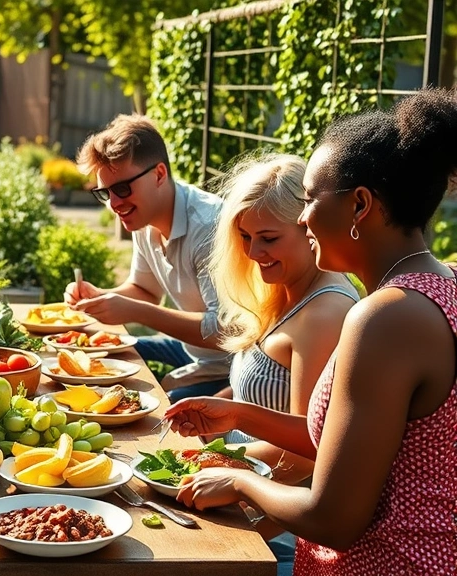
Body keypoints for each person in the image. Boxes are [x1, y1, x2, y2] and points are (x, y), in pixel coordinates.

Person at [167, 88, 457, 575]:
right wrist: (239, 413)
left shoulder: (386, 317)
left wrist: (240, 484)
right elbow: (344, 443)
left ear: (360, 205)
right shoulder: (435, 285)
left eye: (308, 201)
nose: (302, 218)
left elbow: (332, 517)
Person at [211, 152, 357, 480]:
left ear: (308, 226)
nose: (251, 253)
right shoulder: (282, 288)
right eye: (245, 237)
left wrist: (208, 460)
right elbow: (252, 393)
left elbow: (306, 453)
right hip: (236, 480)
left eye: (269, 238)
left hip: (267, 511)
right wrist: (208, 413)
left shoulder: (325, 314)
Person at [65, 114, 232, 401]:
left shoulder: (209, 227)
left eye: (122, 189)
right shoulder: (143, 217)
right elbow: (145, 291)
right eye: (105, 193)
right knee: (97, 352)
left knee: (158, 412)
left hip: (231, 367)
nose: (115, 204)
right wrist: (100, 298)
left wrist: (134, 311)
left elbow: (225, 331)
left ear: (159, 174)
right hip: (191, 349)